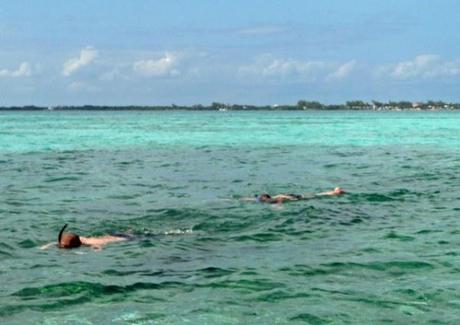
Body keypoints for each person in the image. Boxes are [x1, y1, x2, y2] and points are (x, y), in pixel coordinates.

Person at [41, 224, 130, 250]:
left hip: (123, 239)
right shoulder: (81, 239)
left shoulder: (87, 243)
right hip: (112, 235)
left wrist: (97, 249)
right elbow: (57, 243)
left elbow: (97, 246)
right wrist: (46, 246)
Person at [252, 187, 346, 204]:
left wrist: (279, 206)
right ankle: (334, 192)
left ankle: (335, 192)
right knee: (317, 195)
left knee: (317, 196)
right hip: (294, 196)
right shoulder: (272, 198)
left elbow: (281, 198)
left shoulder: (272, 200)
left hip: (295, 198)